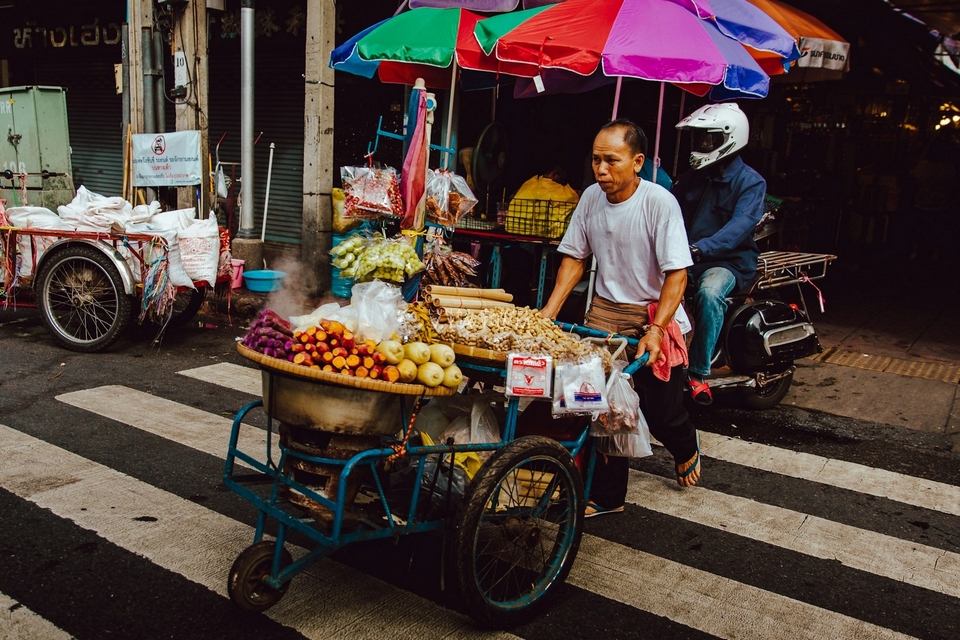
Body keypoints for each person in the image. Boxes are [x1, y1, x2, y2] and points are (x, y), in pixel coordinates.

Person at [540, 119, 701, 517]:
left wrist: (658, 330)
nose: (601, 169)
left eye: (612, 160)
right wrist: (548, 312)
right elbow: (575, 258)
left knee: (661, 414)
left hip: (653, 313)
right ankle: (608, 496)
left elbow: (676, 274)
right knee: (596, 407)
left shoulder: (659, 203)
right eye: (596, 160)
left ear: (638, 162)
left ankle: (685, 445)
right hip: (604, 314)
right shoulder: (591, 198)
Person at [672, 103, 766, 405]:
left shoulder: (750, 182)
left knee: (710, 295)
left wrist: (702, 249)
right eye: (698, 140)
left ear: (729, 138)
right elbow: (670, 210)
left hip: (727, 262)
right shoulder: (692, 176)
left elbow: (740, 226)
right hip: (689, 257)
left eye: (707, 140)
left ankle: (698, 374)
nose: (701, 146)